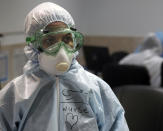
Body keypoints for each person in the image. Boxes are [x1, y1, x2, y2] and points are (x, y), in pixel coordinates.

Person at [0, 2, 129, 131]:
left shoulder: (96, 88)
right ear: (33, 45)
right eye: (50, 40)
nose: (61, 49)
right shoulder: (15, 94)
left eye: (67, 39)